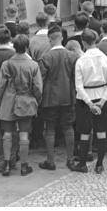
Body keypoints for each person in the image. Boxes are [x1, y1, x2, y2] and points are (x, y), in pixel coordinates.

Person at [0, 34, 42, 176]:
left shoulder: (6, 64)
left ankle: (7, 164)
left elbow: (0, 86)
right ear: (27, 47)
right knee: (24, 134)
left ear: (14, 47)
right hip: (26, 100)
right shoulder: (33, 65)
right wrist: (36, 101)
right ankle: (24, 166)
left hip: (8, 101)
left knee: (7, 134)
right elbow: (38, 87)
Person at [37, 24, 80, 171]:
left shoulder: (46, 57)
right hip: (68, 96)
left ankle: (50, 161)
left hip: (50, 98)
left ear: (49, 39)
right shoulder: (72, 56)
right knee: (68, 127)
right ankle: (70, 159)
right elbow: (76, 78)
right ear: (62, 37)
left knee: (49, 129)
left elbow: (40, 80)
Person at [73, 29, 107, 174]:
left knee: (85, 132)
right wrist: (102, 101)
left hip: (85, 99)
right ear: (96, 40)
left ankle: (82, 163)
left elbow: (78, 86)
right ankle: (99, 164)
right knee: (101, 131)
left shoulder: (81, 60)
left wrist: (89, 103)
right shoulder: (106, 59)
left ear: (83, 42)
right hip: (102, 97)